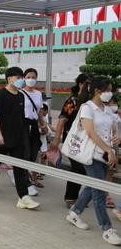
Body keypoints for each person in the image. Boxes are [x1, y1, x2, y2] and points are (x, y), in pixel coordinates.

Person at [65, 77, 121, 245]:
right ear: (98, 91)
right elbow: (90, 132)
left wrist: (116, 138)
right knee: (99, 191)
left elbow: (113, 128)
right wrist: (108, 149)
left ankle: (74, 213)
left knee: (93, 185)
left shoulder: (107, 109)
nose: (110, 93)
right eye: (108, 90)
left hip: (104, 154)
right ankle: (107, 229)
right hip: (92, 155)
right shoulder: (87, 108)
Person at [0, 67, 40, 210]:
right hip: (2, 137)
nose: (21, 80)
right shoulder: (1, 94)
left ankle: (23, 197)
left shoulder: (21, 95)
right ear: (9, 79)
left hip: (18, 137)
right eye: (17, 77)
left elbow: (20, 118)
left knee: (19, 167)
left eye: (21, 77)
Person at [49, 73, 91, 207]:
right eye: (88, 84)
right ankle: (71, 197)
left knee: (83, 169)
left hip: (87, 141)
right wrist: (56, 139)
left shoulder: (91, 103)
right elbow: (62, 120)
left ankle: (78, 196)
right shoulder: (72, 101)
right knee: (78, 168)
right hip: (73, 141)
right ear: (80, 84)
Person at [21, 68, 48, 190]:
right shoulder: (20, 93)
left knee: (34, 151)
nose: (31, 79)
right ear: (24, 78)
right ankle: (24, 179)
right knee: (25, 150)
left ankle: (31, 176)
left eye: (33, 77)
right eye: (28, 77)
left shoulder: (38, 94)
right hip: (23, 124)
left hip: (34, 125)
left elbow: (39, 112)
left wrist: (43, 125)